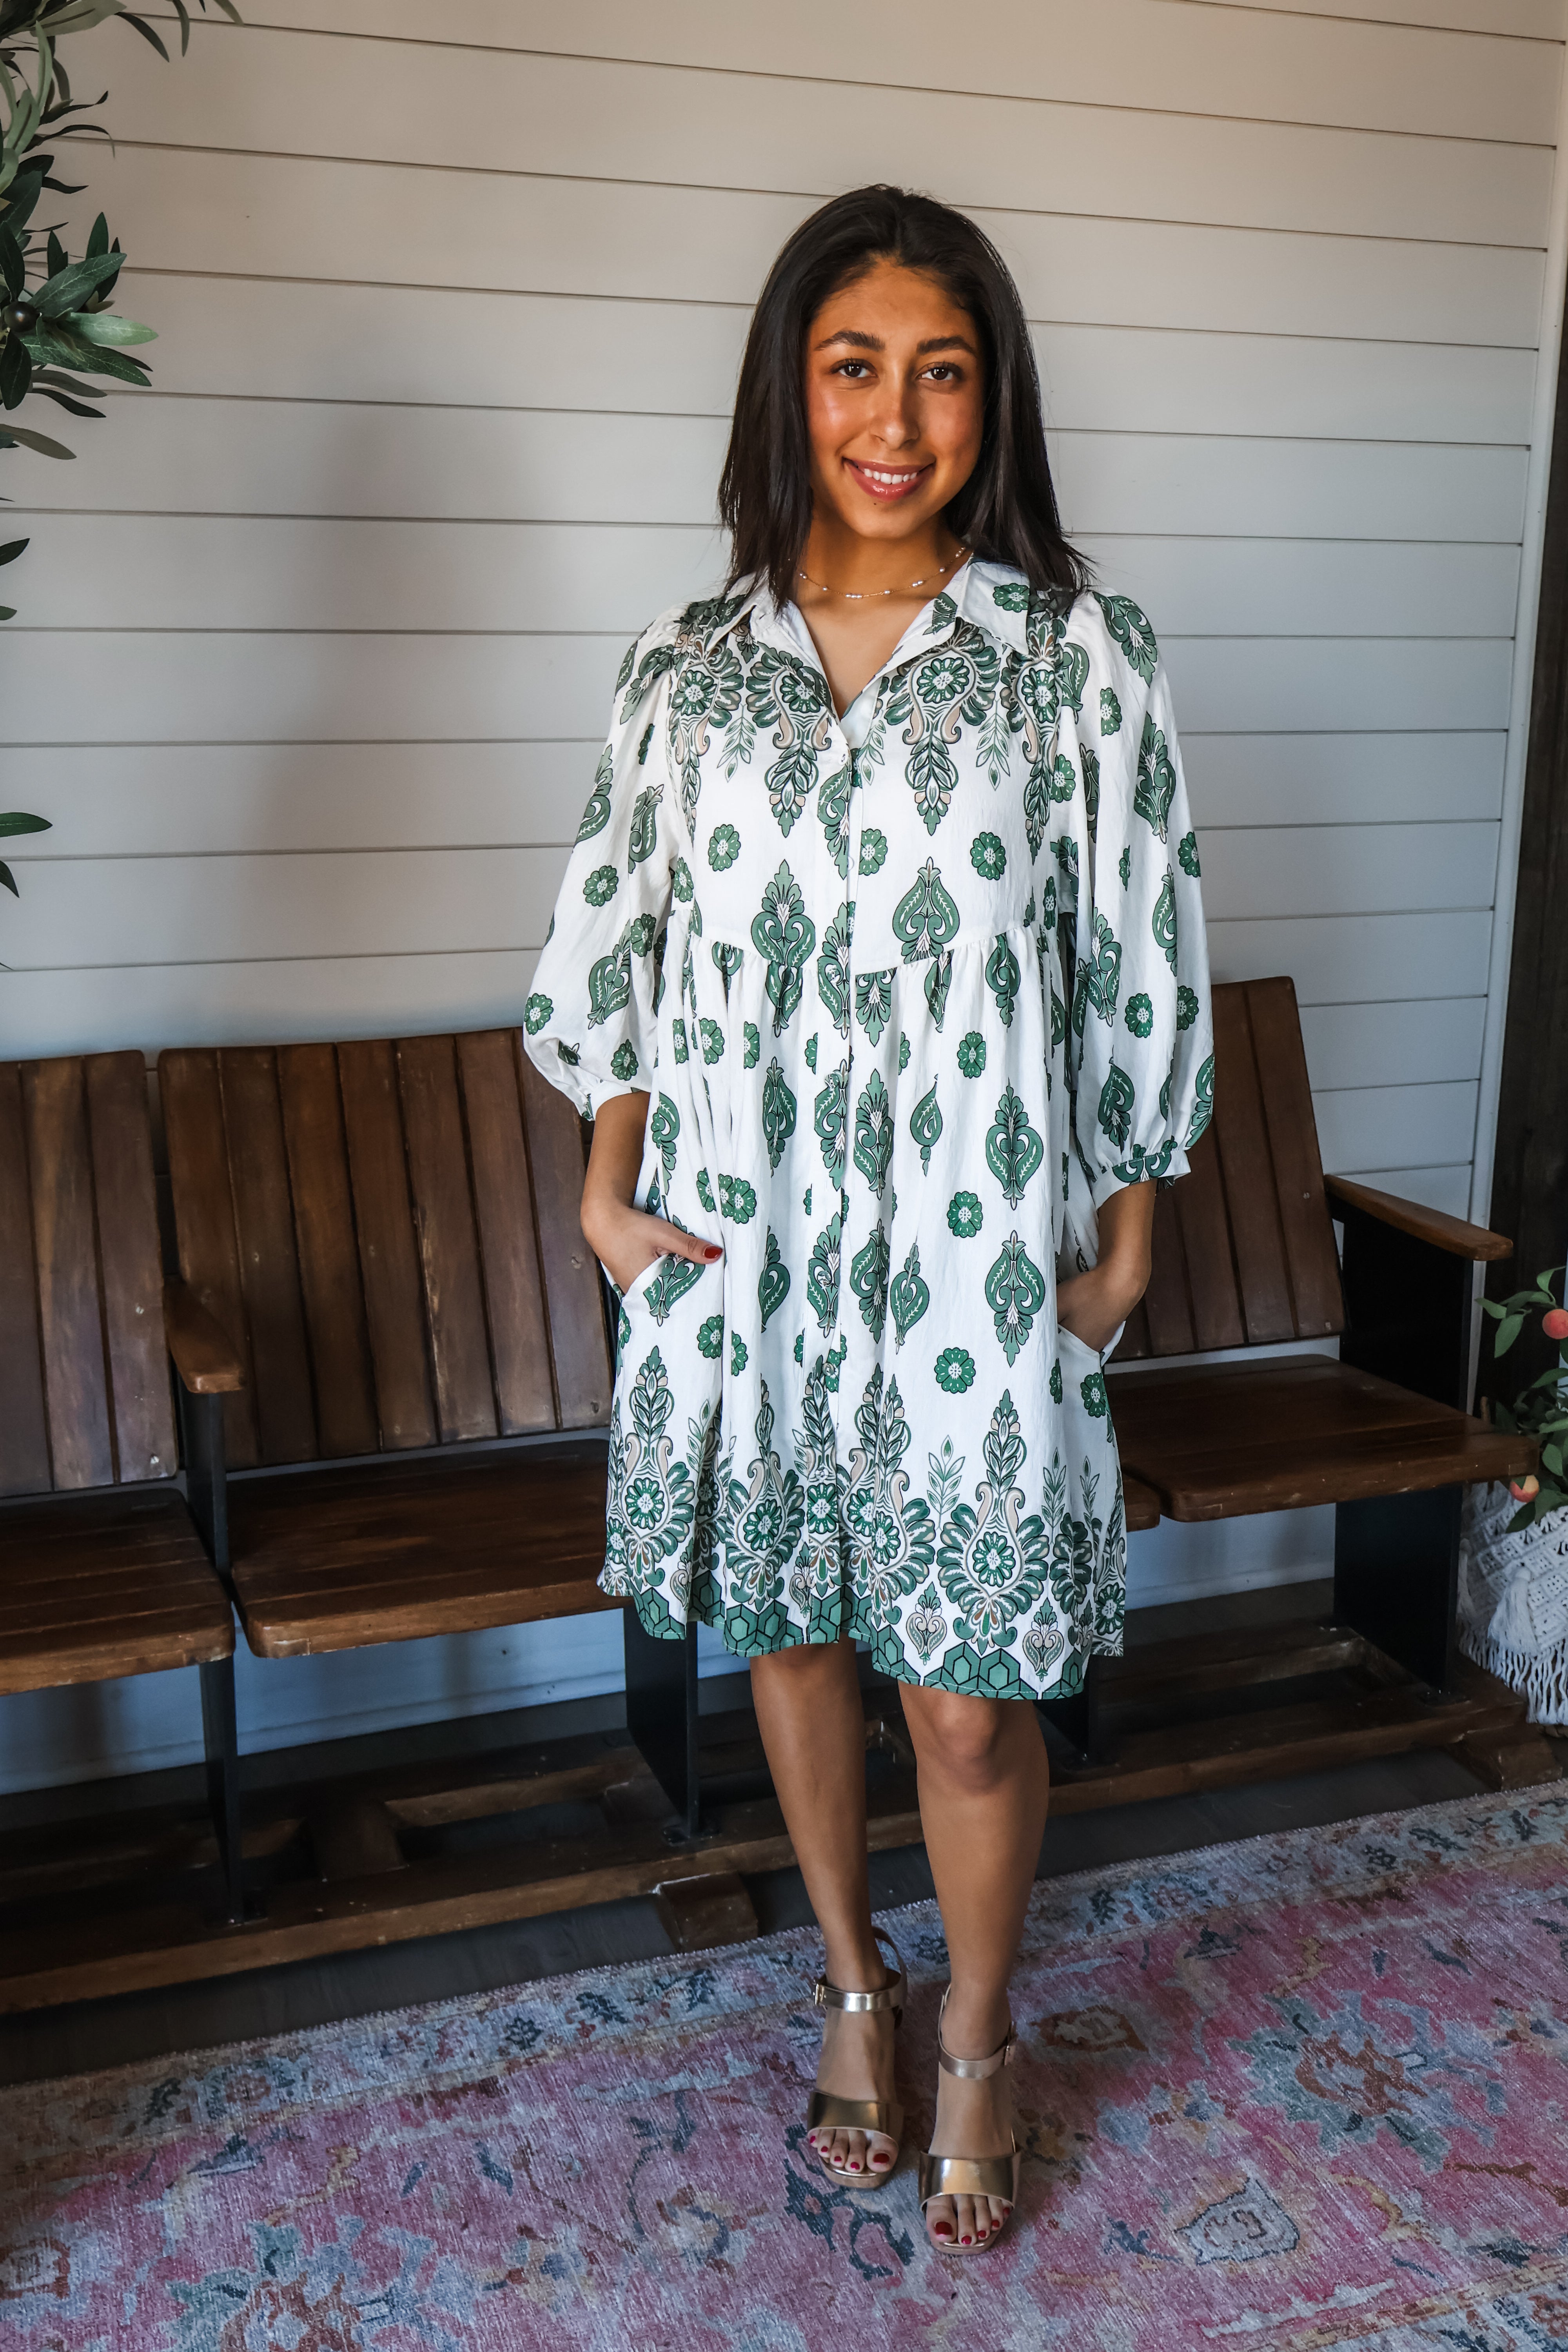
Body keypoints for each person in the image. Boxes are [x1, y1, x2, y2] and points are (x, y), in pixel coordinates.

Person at [524, 184, 1213, 2256]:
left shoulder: (1073, 662)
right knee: (800, 1637)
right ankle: (854, 1985)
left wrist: (1127, 1241)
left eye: (941, 372)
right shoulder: (684, 669)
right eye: (853, 367)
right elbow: (621, 947)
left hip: (974, 1257)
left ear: (995, 401)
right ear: (789, 386)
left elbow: (1141, 961)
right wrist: (607, 1192)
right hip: (741, 1252)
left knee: (969, 1695)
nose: (895, 420)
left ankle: (980, 2027)